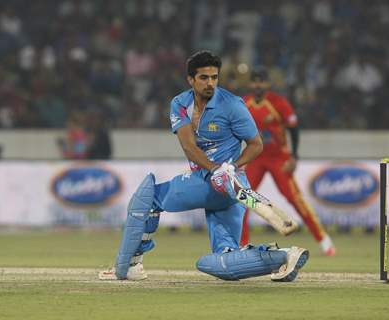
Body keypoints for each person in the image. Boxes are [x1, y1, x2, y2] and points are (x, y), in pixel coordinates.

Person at [98, 51, 309, 282]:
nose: (210, 83)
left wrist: (232, 166)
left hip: (229, 184)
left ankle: (128, 266)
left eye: (214, 77)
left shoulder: (233, 105)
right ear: (191, 79)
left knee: (147, 199)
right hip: (214, 180)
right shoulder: (180, 103)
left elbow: (256, 145)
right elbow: (189, 147)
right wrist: (214, 168)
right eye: (204, 78)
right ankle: (284, 256)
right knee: (224, 260)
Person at [241, 67, 336, 256]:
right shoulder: (244, 104)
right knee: (244, 199)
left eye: (261, 81)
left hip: (279, 158)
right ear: (250, 84)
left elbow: (293, 128)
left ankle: (323, 238)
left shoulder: (278, 102)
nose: (258, 85)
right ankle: (242, 244)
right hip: (255, 158)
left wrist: (294, 156)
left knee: (294, 198)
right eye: (255, 81)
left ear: (267, 84)